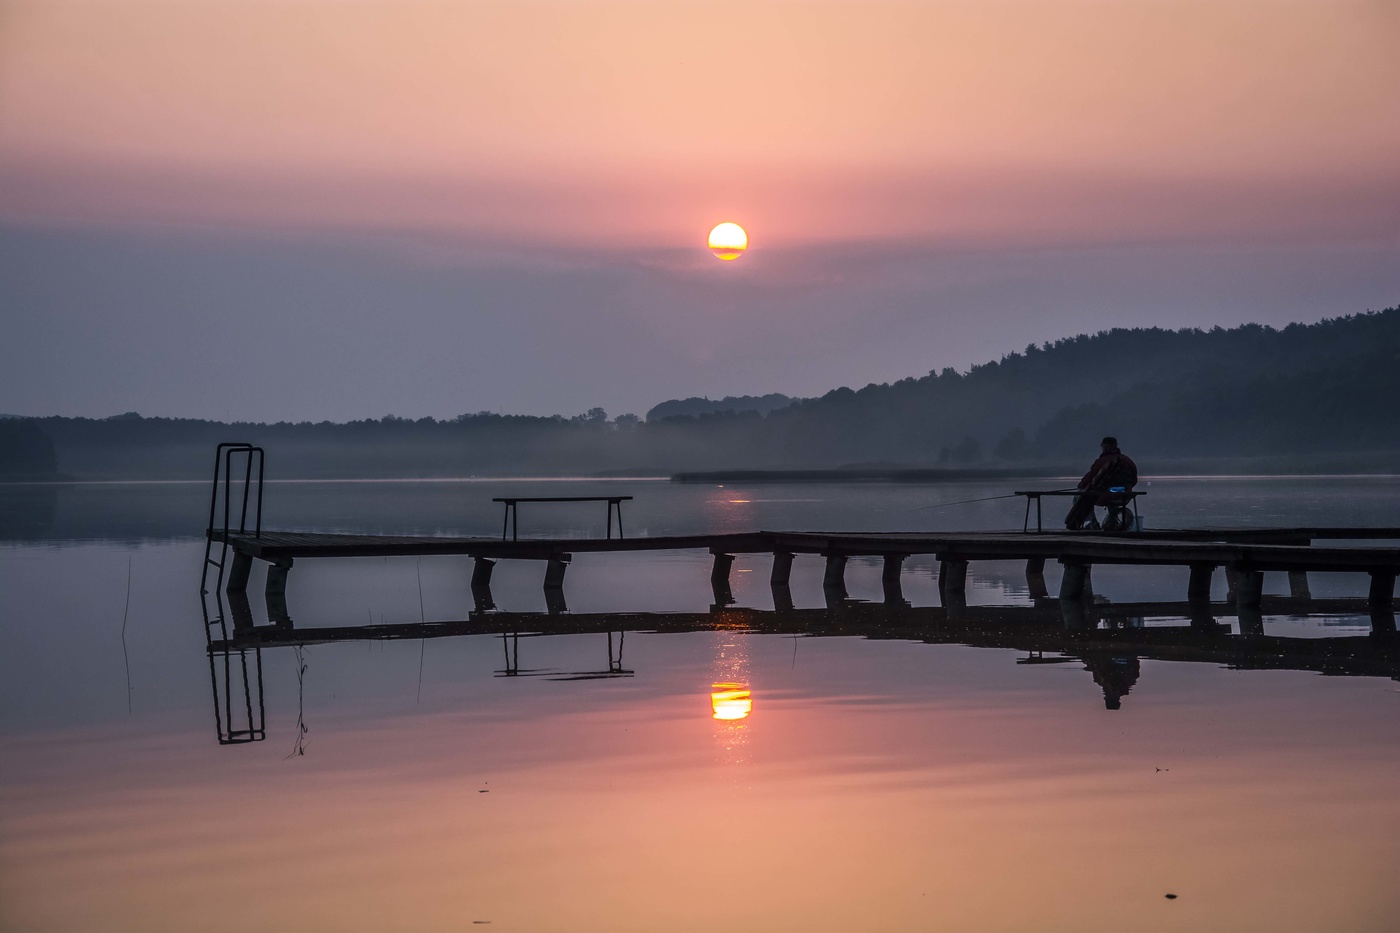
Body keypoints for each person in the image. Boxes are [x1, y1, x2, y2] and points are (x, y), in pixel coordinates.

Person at [1064, 436, 1138, 530]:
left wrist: (1081, 486)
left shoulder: (1103, 461)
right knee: (1110, 494)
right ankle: (1113, 523)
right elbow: (1134, 481)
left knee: (1081, 496)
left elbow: (1088, 479)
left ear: (1105, 446)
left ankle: (1092, 522)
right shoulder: (1128, 461)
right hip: (1126, 495)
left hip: (1106, 496)